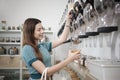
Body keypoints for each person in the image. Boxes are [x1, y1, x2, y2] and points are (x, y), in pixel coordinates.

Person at [22, 13, 80, 80]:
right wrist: (69, 59)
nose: (42, 31)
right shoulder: (27, 49)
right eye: (39, 30)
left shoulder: (42, 46)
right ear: (30, 32)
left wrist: (68, 20)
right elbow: (45, 72)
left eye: (42, 29)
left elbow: (62, 39)